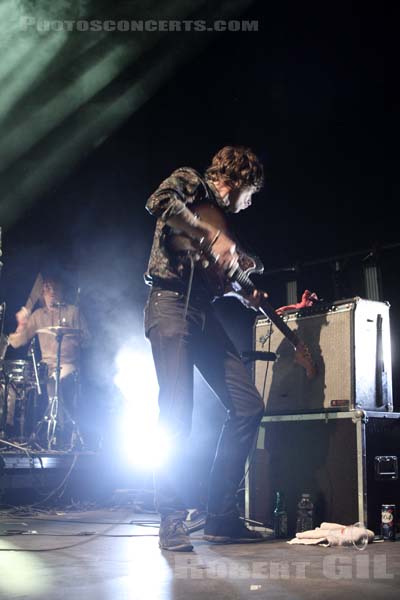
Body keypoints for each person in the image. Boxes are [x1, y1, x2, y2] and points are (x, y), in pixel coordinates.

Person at [144, 146, 268, 551]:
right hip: (169, 305)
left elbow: (217, 275)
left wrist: (242, 291)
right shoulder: (191, 182)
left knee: (248, 405)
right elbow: (159, 202)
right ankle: (172, 519)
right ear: (235, 182)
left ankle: (220, 516)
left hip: (201, 312)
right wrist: (207, 233)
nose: (248, 206)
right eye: (249, 195)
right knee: (177, 412)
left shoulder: (222, 223)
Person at [8, 274, 89, 446]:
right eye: (46, 288)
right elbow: (17, 342)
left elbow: (89, 339)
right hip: (46, 366)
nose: (51, 292)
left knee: (55, 381)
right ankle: (37, 433)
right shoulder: (37, 315)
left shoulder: (73, 312)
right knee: (22, 383)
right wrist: (21, 324)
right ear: (42, 292)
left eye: (54, 287)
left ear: (62, 289)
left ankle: (59, 431)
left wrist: (75, 338)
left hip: (69, 364)